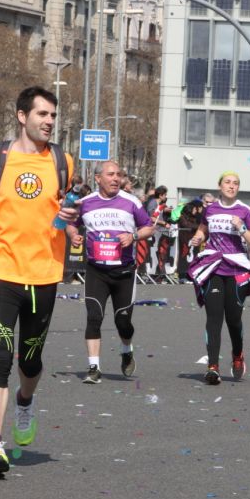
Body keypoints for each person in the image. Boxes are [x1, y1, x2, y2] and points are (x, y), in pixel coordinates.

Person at [0, 85, 77, 477]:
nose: (48, 122)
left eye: (52, 116)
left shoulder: (64, 161)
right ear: (21, 116)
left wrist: (70, 223)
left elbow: (63, 210)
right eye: (42, 114)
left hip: (44, 274)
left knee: (29, 360)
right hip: (0, 271)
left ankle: (25, 402)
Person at [66, 160, 154, 384]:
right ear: (98, 179)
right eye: (111, 174)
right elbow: (69, 222)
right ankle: (94, 367)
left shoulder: (131, 202)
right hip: (96, 270)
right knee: (94, 317)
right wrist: (73, 234)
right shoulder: (85, 203)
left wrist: (133, 236)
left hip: (123, 272)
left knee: (123, 322)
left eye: (119, 175)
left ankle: (126, 349)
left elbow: (148, 227)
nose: (116, 179)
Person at [188, 172, 250, 385]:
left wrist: (241, 228)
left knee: (233, 319)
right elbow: (203, 230)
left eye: (235, 183)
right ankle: (212, 366)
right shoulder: (210, 209)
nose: (231, 186)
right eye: (227, 182)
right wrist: (198, 238)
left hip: (237, 270)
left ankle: (238, 354)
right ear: (219, 186)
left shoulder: (245, 211)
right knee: (214, 318)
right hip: (214, 267)